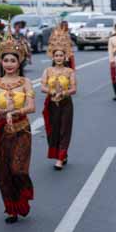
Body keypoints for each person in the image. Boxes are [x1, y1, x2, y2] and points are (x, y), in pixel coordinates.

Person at [0, 35, 36, 224]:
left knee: (18, 169)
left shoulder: (25, 82)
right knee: (2, 170)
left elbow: (31, 107)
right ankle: (11, 209)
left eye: (12, 60)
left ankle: (23, 195)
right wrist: (2, 110)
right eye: (5, 60)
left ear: (19, 62)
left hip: (21, 128)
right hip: (0, 129)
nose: (9, 64)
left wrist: (15, 111)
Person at [40, 28, 77, 170]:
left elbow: (74, 89)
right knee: (53, 130)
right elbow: (42, 87)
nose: (59, 58)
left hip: (66, 103)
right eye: (56, 55)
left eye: (61, 55)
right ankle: (61, 154)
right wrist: (52, 91)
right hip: (51, 104)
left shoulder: (69, 72)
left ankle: (60, 159)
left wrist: (64, 93)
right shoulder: (48, 71)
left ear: (65, 56)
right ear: (53, 57)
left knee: (64, 130)